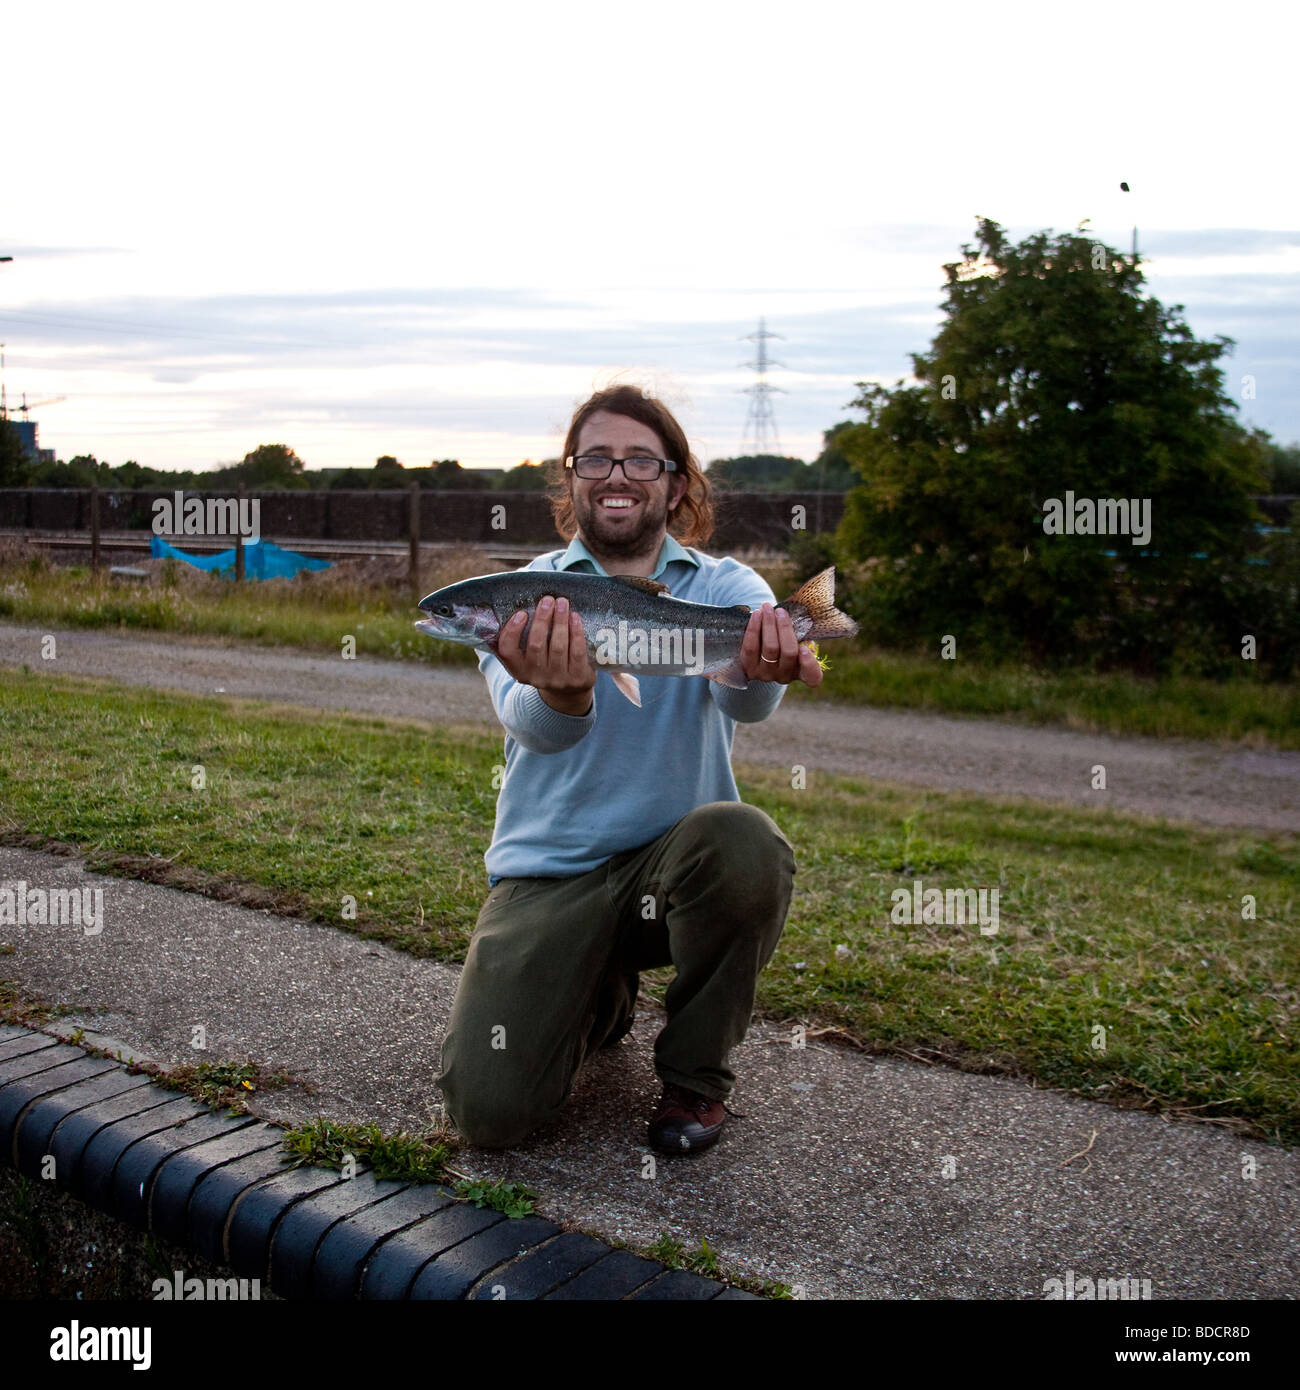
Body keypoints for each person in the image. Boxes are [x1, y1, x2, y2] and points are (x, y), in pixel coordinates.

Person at [436, 383, 824, 1156]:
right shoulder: (528, 594)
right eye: (597, 459)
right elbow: (532, 728)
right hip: (550, 876)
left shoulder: (727, 590)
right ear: (571, 478)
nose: (618, 475)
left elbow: (747, 712)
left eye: (641, 460)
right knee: (488, 1116)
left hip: (674, 873)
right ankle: (597, 996)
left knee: (746, 840)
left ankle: (695, 1079)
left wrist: (768, 665)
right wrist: (566, 689)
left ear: (676, 483)